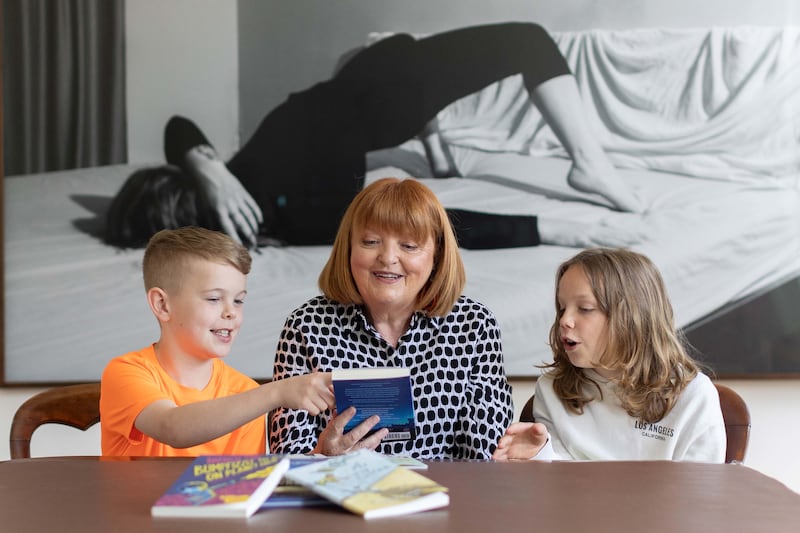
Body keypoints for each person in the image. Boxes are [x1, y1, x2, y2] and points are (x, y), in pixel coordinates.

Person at [104, 22, 642, 250]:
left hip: (372, 81)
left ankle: (437, 147)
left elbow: (178, 129)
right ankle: (588, 164)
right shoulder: (276, 203)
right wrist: (553, 229)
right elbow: (433, 228)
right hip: (389, 90)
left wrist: (209, 171)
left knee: (364, 69)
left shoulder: (244, 189)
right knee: (530, 41)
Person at [268, 177, 514, 460]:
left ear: (437, 255)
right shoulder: (306, 326)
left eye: (409, 246)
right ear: (349, 248)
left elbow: (486, 459)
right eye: (371, 241)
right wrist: (321, 455)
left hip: (447, 498)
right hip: (339, 499)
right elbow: (286, 463)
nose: (387, 257)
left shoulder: (475, 326)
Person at [100, 226, 335, 456]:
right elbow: (171, 427)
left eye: (238, 301)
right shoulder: (125, 373)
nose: (231, 312)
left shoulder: (245, 392)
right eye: (213, 298)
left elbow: (238, 486)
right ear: (162, 304)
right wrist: (276, 393)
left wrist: (321, 455)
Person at [492, 247, 726, 463]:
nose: (564, 320)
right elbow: (557, 487)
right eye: (562, 308)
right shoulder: (551, 389)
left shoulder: (694, 396)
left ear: (632, 317)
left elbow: (701, 494)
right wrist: (539, 455)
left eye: (585, 309)